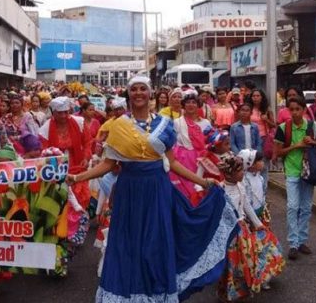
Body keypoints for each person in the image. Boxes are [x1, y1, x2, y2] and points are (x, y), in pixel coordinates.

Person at [66, 75, 237, 302]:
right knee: (128, 243)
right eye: (134, 89)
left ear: (150, 94)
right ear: (129, 94)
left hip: (158, 189)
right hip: (129, 191)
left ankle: (156, 293)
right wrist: (78, 177)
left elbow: (173, 163)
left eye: (142, 89)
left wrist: (204, 182)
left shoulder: (164, 125)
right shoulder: (119, 126)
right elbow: (108, 164)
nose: (138, 93)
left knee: (156, 244)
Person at [218, 155, 283, 301]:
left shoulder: (240, 186)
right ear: (230, 173)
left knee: (245, 262)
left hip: (243, 230)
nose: (243, 173)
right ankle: (228, 293)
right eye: (239, 170)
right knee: (231, 264)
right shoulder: (220, 190)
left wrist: (258, 224)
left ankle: (242, 290)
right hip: (229, 234)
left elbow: (246, 206)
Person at [274, 96, 316, 261]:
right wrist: (296, 146)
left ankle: (302, 240)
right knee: (292, 206)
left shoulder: (311, 125)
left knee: (306, 207)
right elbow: (278, 153)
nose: (295, 113)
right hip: (292, 171)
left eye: (298, 109)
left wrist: (312, 142)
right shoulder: (283, 128)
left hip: (308, 172)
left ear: (304, 110)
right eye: (292, 109)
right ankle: (293, 243)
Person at [39, 96, 92, 248]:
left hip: (77, 166)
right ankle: (61, 233)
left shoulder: (79, 123)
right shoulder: (45, 129)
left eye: (66, 112)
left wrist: (87, 157)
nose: (63, 116)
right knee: (60, 201)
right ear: (53, 112)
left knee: (79, 200)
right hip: (56, 168)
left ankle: (74, 232)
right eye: (59, 113)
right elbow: (44, 152)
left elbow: (88, 142)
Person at [169, 90, 212, 206]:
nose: (191, 105)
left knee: (202, 191)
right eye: (188, 102)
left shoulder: (206, 123)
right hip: (183, 161)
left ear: (198, 105)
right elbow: (173, 143)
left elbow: (210, 142)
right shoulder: (177, 122)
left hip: (203, 162)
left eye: (194, 102)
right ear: (183, 105)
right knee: (185, 193)